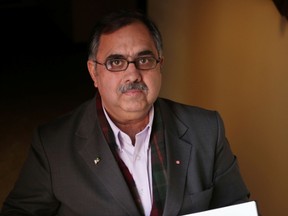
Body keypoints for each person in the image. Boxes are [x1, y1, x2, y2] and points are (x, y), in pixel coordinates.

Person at [1, 10, 250, 216]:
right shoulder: (53, 146)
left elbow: (236, 208)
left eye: (144, 59)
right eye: (116, 62)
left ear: (160, 65)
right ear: (93, 72)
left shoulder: (207, 130)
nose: (133, 74)